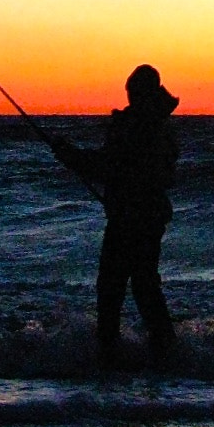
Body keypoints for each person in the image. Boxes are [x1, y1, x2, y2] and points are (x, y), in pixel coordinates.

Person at [51, 64, 180, 369]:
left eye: (132, 92)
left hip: (132, 219)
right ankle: (164, 353)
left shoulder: (142, 126)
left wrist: (70, 155)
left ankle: (113, 355)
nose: (129, 98)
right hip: (143, 217)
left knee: (115, 288)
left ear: (142, 93)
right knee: (142, 286)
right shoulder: (156, 124)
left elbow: (110, 166)